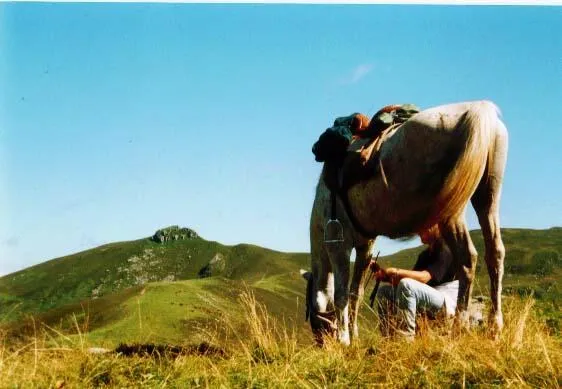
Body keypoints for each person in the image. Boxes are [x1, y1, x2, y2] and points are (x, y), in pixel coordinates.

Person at [371, 225, 459, 341]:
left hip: (445, 303)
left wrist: (396, 271)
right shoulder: (424, 255)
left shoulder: (445, 248)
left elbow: (423, 278)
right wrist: (384, 276)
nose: (418, 232)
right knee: (384, 292)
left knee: (407, 284)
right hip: (429, 299)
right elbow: (406, 285)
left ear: (436, 226)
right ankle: (388, 338)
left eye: (424, 226)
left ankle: (406, 339)